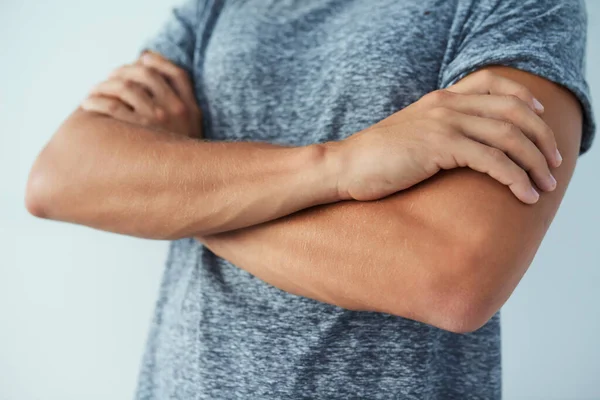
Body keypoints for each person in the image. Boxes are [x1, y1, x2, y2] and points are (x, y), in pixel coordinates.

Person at [25, 0, 595, 398]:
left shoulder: (521, 5)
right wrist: (338, 164)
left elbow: (452, 276)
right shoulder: (217, 7)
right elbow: (59, 178)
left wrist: (175, 193)